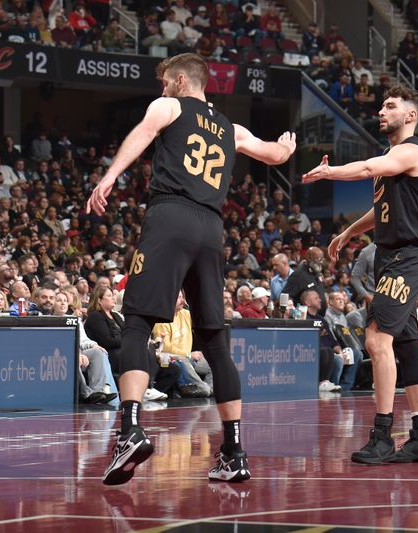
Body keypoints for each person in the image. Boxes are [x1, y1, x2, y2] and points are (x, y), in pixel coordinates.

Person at [87, 53, 295, 485]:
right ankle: (234, 453)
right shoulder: (231, 129)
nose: (161, 89)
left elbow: (142, 135)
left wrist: (109, 178)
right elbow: (272, 155)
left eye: (165, 81)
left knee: (138, 322)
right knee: (216, 340)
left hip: (171, 216)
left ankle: (129, 431)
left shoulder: (170, 106)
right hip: (212, 230)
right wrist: (287, 148)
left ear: (181, 80)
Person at [303, 85, 418, 464]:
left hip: (408, 256)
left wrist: (330, 171)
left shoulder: (410, 152)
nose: (382, 110)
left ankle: (381, 434)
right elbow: (380, 208)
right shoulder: (390, 155)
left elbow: (364, 169)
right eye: (382, 105)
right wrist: (349, 232)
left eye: (391, 106)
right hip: (389, 255)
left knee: (378, 339)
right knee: (406, 345)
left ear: (410, 116)